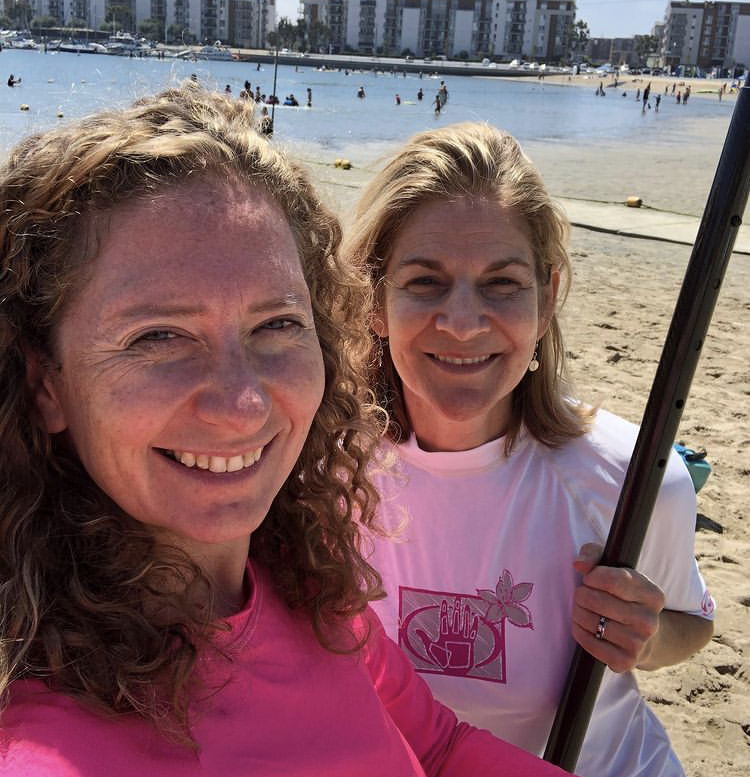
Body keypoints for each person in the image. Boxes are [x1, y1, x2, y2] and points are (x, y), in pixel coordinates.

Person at [0, 92, 570, 777]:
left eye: (277, 325)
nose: (242, 405)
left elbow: (440, 748)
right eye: (158, 337)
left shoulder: (309, 590)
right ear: (44, 384)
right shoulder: (46, 748)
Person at [346, 122, 715, 777]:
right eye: (426, 282)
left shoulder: (633, 478)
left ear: (546, 301)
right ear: (376, 301)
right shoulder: (320, 475)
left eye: (502, 284)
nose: (462, 322)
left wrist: (646, 637)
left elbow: (692, 626)